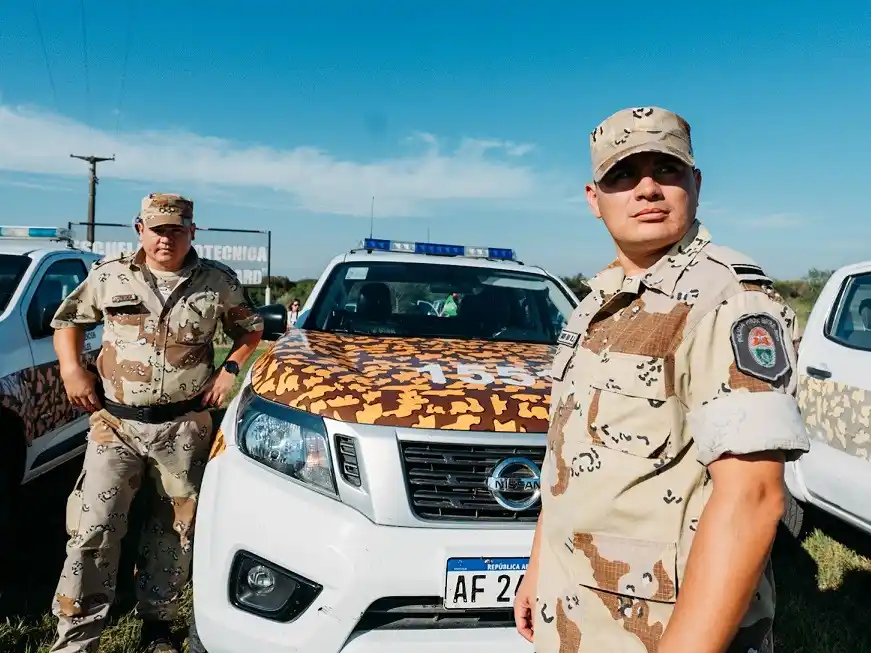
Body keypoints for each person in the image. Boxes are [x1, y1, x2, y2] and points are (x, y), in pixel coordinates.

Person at [513, 107, 811, 653]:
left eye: (666, 170)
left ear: (695, 183)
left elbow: (752, 499)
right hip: (583, 617)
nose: (646, 188)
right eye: (623, 175)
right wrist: (540, 569)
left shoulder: (728, 298)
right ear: (593, 198)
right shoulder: (596, 302)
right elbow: (569, 463)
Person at [48, 193, 264, 653]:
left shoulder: (217, 282)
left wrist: (230, 370)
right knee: (94, 526)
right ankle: (77, 634)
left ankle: (159, 624)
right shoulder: (110, 277)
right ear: (139, 229)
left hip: (184, 428)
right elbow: (68, 320)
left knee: (175, 529)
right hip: (116, 426)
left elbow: (251, 328)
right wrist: (71, 368)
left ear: (191, 231)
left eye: (175, 229)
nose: (166, 238)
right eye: (157, 229)